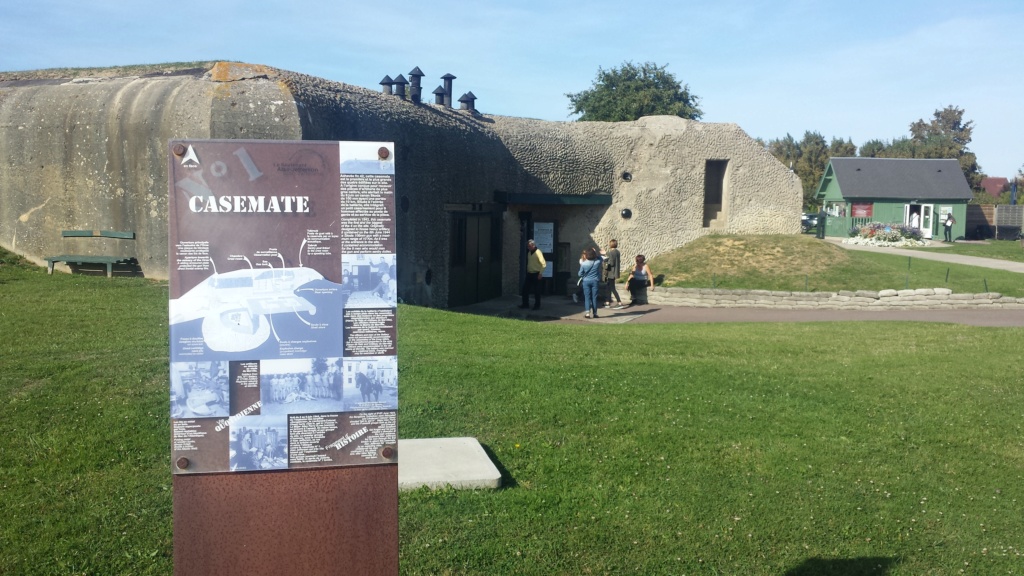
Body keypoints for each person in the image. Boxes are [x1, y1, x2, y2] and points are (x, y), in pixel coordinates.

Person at [519, 239, 546, 310]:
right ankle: (525, 304)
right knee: (525, 289)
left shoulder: (538, 252)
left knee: (537, 291)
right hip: (529, 273)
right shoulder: (529, 253)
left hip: (536, 273)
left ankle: (537, 305)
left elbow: (543, 264)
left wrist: (540, 273)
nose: (528, 248)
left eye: (530, 246)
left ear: (533, 246)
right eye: (528, 246)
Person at [578, 247, 602, 319]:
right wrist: (596, 253)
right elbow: (601, 258)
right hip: (595, 281)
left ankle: (587, 313)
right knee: (594, 297)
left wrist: (584, 276)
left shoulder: (584, 263)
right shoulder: (597, 262)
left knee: (587, 297)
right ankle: (595, 313)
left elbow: (580, 274)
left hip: (586, 281)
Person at [603, 239, 622, 308]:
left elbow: (611, 263)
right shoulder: (617, 252)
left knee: (612, 288)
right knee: (608, 287)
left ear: (610, 244)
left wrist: (605, 257)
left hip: (611, 272)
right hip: (614, 272)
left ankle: (619, 302)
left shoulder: (611, 252)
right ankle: (607, 302)